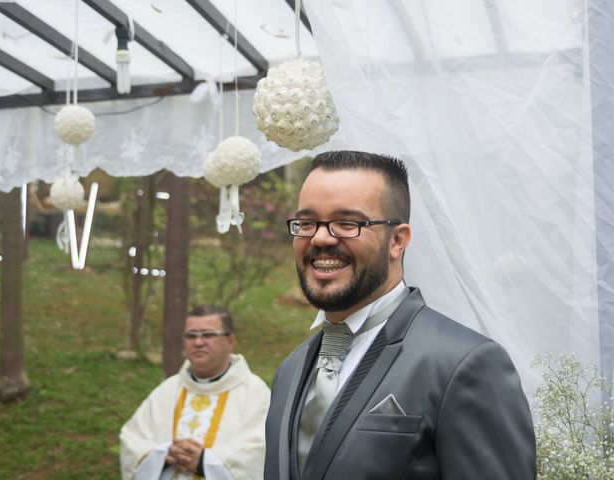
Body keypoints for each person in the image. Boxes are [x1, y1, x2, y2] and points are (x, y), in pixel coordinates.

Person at [264, 151, 536, 479]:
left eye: (347, 223)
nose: (321, 237)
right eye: (307, 223)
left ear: (397, 240)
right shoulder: (290, 371)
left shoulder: (461, 365)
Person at [120, 305, 270, 480]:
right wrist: (163, 456)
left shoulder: (254, 392)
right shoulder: (168, 389)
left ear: (230, 341)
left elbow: (261, 451)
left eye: (208, 334)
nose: (198, 342)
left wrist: (204, 462)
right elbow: (132, 439)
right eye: (191, 336)